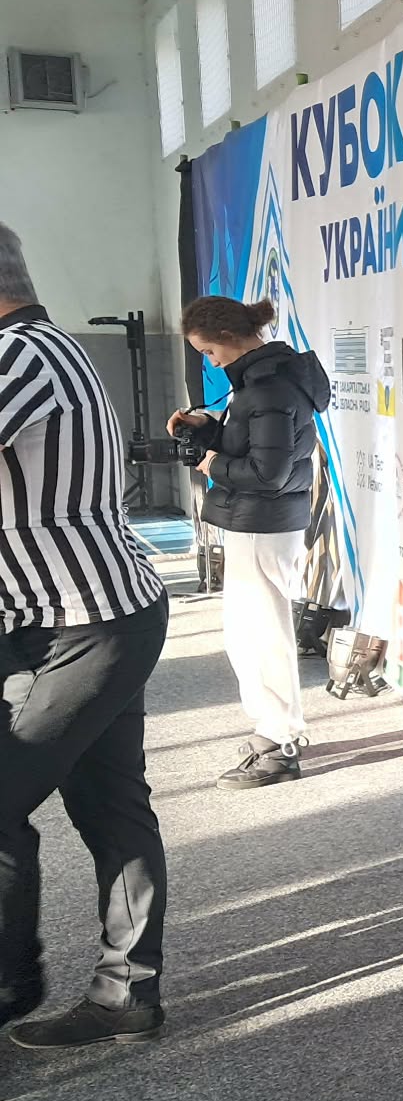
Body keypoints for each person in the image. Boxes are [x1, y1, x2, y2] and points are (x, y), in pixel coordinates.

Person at [0, 221, 173, 1049]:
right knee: (111, 804)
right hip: (85, 616)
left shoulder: (20, 357)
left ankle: (10, 985)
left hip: (88, 622)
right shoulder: (47, 347)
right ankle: (126, 993)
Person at [170, 296, 331, 789]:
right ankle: (274, 731)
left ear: (227, 338)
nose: (210, 361)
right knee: (250, 634)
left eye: (208, 352)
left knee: (261, 636)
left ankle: (281, 742)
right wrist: (208, 428)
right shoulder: (262, 381)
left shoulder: (266, 387)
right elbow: (259, 445)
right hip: (258, 523)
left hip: (263, 523)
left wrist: (210, 463)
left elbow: (268, 473)